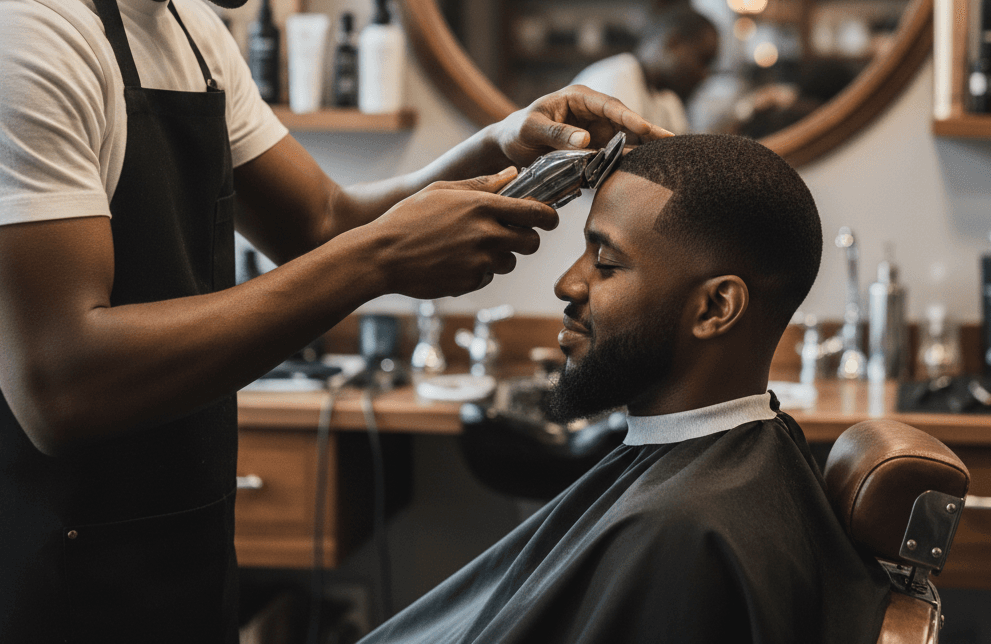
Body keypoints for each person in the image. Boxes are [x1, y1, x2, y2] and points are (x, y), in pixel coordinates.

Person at [0, 0, 670, 644]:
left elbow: (318, 222)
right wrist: (379, 261)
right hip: (45, 581)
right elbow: (58, 383)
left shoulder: (188, 30)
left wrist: (499, 145)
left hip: (172, 559)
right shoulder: (27, 30)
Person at [359, 134, 893, 644]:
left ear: (715, 308)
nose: (567, 284)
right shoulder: (733, 476)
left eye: (606, 262)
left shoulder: (684, 534)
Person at [572, 3, 719, 133]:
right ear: (674, 44)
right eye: (703, 60)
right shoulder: (614, 81)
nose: (704, 74)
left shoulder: (667, 99)